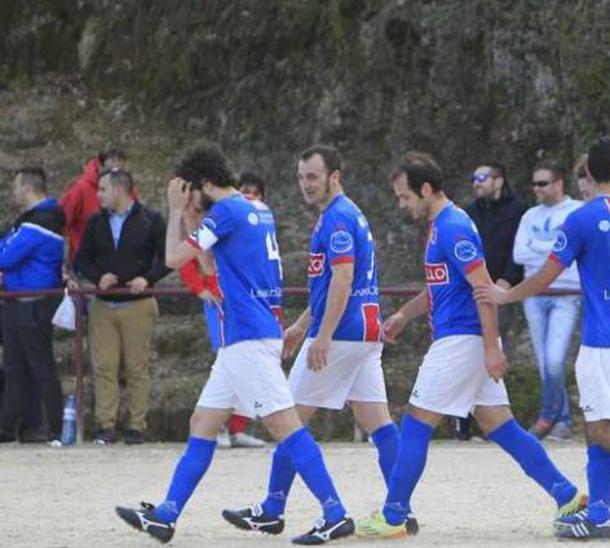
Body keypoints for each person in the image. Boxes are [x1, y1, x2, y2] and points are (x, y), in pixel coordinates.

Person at [115, 143, 353, 544]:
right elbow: (210, 265)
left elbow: (174, 259)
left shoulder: (225, 212)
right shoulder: (256, 208)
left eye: (191, 189)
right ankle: (167, 514)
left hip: (246, 335)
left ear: (204, 183)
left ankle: (335, 512)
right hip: (246, 334)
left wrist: (176, 210)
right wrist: (193, 216)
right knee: (203, 424)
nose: (189, 196)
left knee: (286, 427)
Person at [476, 137, 610, 540]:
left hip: (604, 337)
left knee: (601, 428)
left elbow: (546, 274)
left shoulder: (581, 219)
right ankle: (599, 513)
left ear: (590, 176)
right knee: (605, 422)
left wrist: (506, 294)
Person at [355, 158, 586, 539]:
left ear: (426, 189)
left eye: (405, 197)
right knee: (503, 427)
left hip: (461, 340)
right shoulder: (440, 227)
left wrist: (491, 347)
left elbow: (483, 288)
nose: (402, 205)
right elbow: (441, 286)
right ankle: (566, 494)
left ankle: (394, 515)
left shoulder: (454, 227)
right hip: (465, 338)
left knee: (415, 422)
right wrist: (404, 315)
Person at [220, 145, 406, 536]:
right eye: (302, 176)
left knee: (286, 419)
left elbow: (342, 280)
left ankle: (278, 508)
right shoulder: (345, 214)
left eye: (313, 176)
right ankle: (399, 510)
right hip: (364, 332)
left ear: (334, 176)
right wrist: (303, 325)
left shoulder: (337, 219)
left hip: (342, 334)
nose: (306, 184)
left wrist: (321, 336)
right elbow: (329, 286)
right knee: (380, 424)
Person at [74, 168, 170, 445]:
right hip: (103, 305)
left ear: (119, 189)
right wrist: (97, 277)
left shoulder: (150, 220)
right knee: (104, 367)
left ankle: (137, 425)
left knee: (137, 367)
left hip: (137, 304)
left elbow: (167, 257)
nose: (98, 195)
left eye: (103, 189)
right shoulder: (95, 223)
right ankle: (106, 425)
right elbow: (82, 259)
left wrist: (147, 278)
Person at [174, 184, 265, 450]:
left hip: (243, 302)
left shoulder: (246, 224)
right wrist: (199, 289)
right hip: (219, 301)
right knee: (230, 363)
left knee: (245, 367)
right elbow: (188, 260)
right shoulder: (213, 221)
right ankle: (219, 426)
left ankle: (236, 427)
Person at [511, 159, 582, 441]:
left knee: (554, 359)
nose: (536, 189)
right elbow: (519, 254)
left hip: (566, 292)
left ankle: (547, 417)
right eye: (534, 184)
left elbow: (572, 254)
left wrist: (539, 249)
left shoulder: (576, 212)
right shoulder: (530, 216)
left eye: (543, 183)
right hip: (533, 293)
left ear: (559, 183)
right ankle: (562, 421)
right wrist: (553, 251)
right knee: (543, 363)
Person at [457, 163, 527, 440]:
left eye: (482, 178)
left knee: (495, 352)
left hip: (500, 289)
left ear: (499, 180)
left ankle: (493, 422)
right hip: (471, 292)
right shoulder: (469, 214)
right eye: (474, 178)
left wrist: (507, 282)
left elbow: (518, 252)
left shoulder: (518, 211)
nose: (477, 183)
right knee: (467, 353)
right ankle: (463, 423)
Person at [0, 167, 66, 445]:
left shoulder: (40, 222)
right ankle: (8, 427)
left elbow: (5, 256)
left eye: (16, 187)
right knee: (15, 367)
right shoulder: (30, 222)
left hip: (33, 304)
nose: (13, 193)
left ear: (28, 188)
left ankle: (54, 427)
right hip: (16, 303)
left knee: (40, 367)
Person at [61, 148, 128, 264]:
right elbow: (60, 222)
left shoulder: (127, 189)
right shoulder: (80, 190)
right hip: (86, 263)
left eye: (119, 172)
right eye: (111, 171)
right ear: (100, 166)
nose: (115, 177)